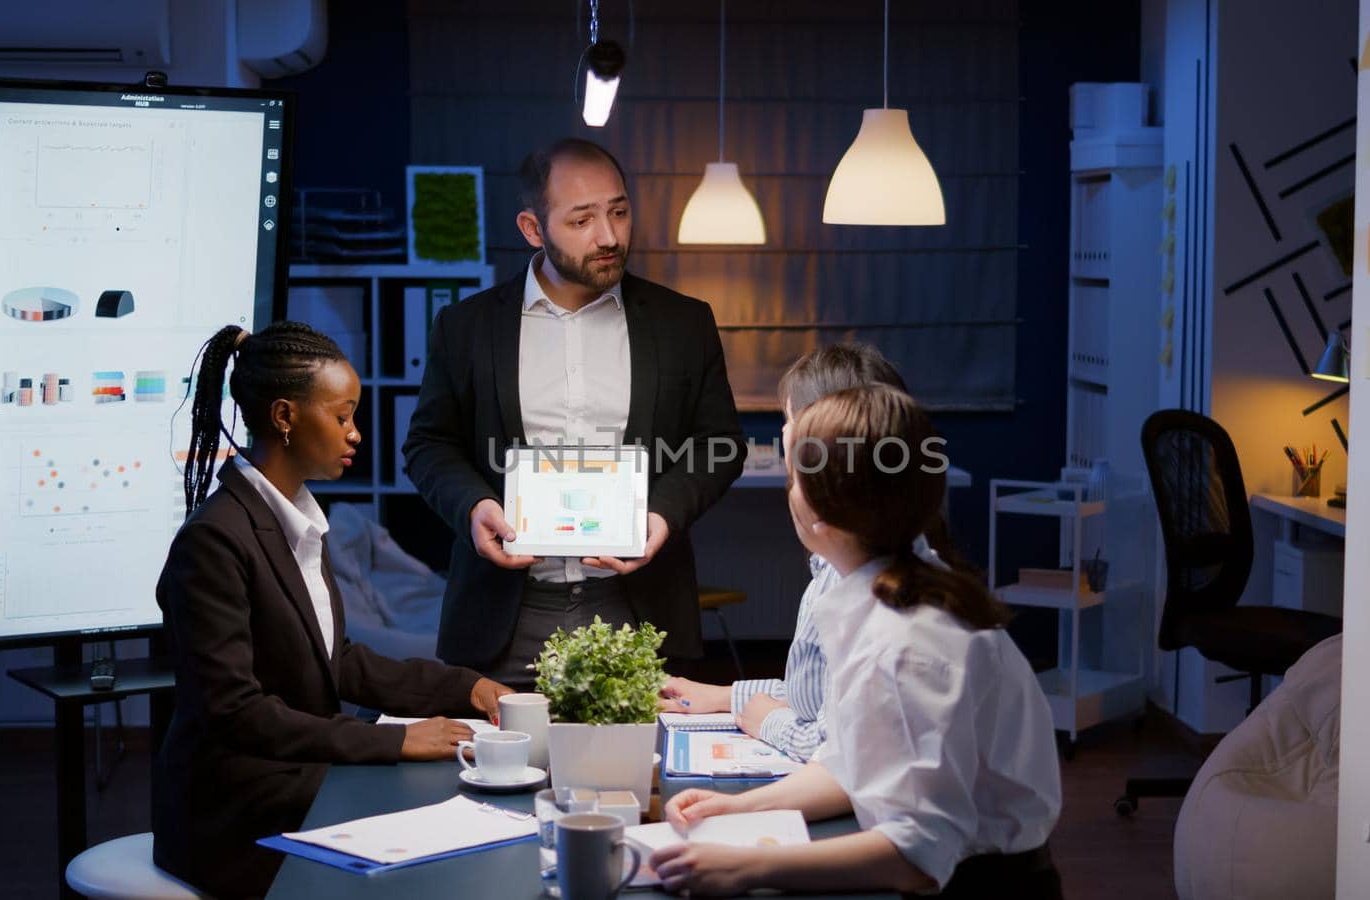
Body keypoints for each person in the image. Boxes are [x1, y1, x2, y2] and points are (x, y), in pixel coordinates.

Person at [651, 385, 1064, 899]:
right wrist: (735, 809)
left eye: (795, 474)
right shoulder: (888, 595)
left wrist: (748, 866)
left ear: (818, 517)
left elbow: (918, 855)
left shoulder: (908, 643)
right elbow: (849, 764)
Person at [153, 322, 512, 898]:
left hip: (294, 774)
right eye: (341, 417)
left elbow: (336, 663)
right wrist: (394, 741)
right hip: (234, 809)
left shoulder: (298, 521)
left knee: (451, 790)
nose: (355, 435)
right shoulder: (214, 540)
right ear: (285, 416)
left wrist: (466, 689)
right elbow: (235, 712)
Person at [402, 137, 746, 687]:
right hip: (503, 615)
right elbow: (428, 446)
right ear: (532, 229)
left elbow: (718, 445)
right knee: (502, 771)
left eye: (618, 212)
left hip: (639, 608)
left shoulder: (684, 323)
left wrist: (661, 515)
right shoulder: (465, 328)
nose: (608, 236)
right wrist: (473, 508)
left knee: (638, 773)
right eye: (582, 220)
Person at [658, 343, 944, 761]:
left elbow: (836, 748)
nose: (784, 434)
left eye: (791, 419)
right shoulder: (843, 565)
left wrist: (765, 720)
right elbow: (816, 698)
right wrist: (726, 698)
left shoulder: (879, 602)